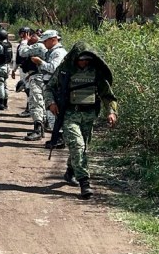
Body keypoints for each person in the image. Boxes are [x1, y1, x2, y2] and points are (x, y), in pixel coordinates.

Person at [43, 42, 118, 199]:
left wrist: (111, 112)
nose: (84, 62)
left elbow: (107, 95)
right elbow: (49, 88)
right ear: (75, 58)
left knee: (82, 148)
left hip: (89, 116)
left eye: (87, 60)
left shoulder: (96, 72)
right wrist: (51, 103)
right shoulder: (64, 71)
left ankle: (70, 171)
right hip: (70, 114)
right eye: (81, 59)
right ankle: (85, 183)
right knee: (77, 146)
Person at [26, 29, 66, 141]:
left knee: (53, 112)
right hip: (49, 84)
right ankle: (56, 138)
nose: (44, 43)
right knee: (50, 112)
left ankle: (58, 139)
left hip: (55, 86)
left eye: (45, 41)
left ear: (53, 40)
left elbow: (53, 68)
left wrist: (40, 62)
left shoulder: (58, 53)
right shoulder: (52, 51)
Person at [15, 28, 39, 117]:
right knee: (29, 91)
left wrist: (25, 41)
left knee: (31, 92)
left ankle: (30, 110)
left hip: (35, 74)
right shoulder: (30, 45)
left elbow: (23, 53)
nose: (22, 36)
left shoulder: (35, 46)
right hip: (29, 72)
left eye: (25, 34)